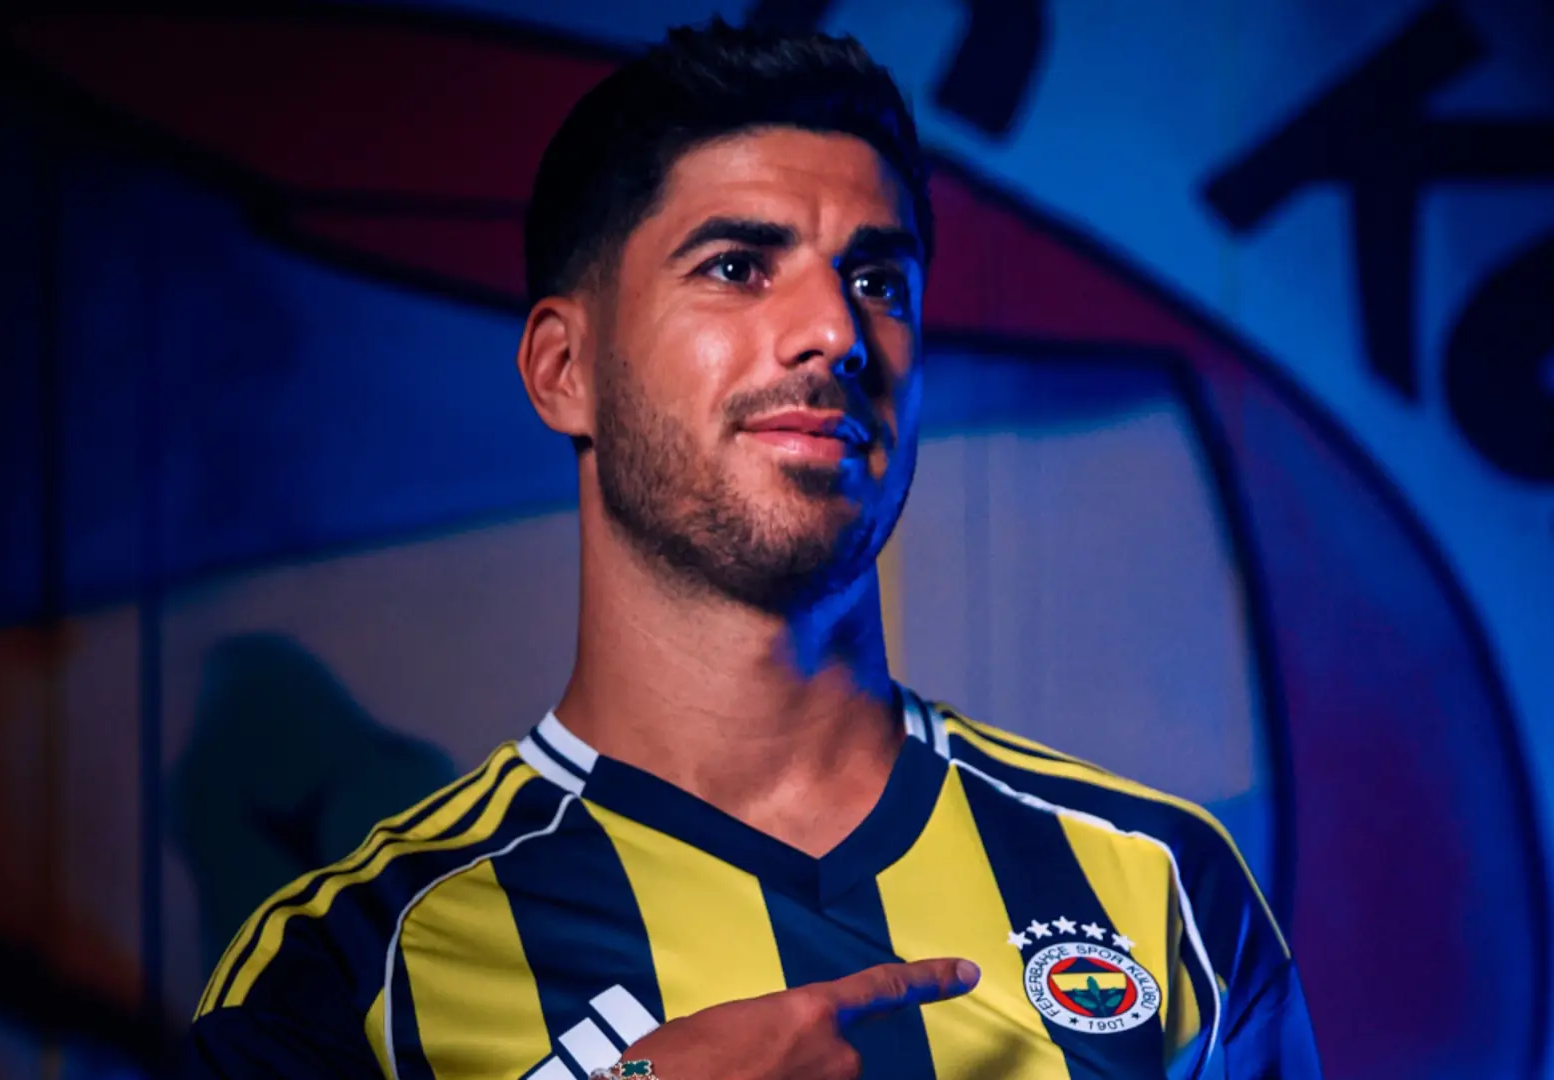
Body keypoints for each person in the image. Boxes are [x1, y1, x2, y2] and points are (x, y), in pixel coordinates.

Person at [176, 18, 1322, 1080]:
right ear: (564, 371)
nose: (835, 330)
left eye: (877, 280)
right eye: (736, 266)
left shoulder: (1161, 893)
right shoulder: (345, 974)